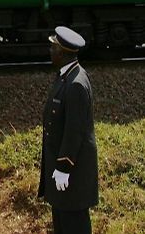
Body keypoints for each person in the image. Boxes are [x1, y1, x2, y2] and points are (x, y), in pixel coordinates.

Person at [38, 26, 98, 234]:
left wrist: (64, 166)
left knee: (74, 222)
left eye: (53, 47)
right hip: (61, 166)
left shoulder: (75, 85)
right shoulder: (66, 75)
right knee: (62, 220)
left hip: (72, 169)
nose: (50, 51)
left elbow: (75, 130)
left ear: (62, 53)